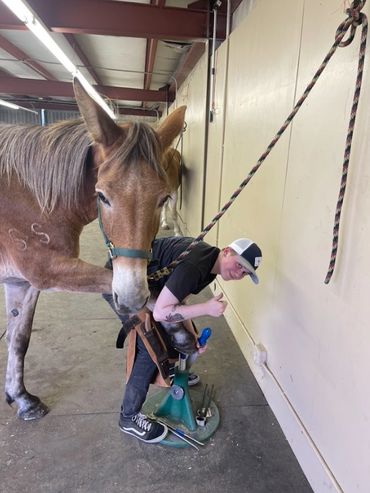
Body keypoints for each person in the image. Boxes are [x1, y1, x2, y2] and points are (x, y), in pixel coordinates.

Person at [104, 236, 262, 444]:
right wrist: (206, 308)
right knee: (149, 346)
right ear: (226, 251)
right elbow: (161, 313)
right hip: (119, 280)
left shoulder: (210, 267)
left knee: (182, 334)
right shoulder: (197, 264)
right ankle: (129, 417)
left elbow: (177, 299)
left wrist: (192, 335)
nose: (239, 273)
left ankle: (172, 372)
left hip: (148, 285)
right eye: (240, 265)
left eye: (246, 273)